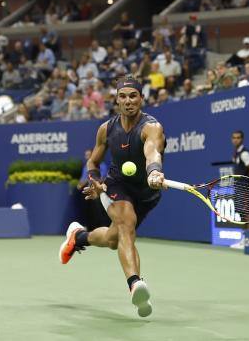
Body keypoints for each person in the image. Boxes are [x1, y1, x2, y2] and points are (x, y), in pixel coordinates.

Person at [59, 76, 166, 318]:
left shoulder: (152, 128)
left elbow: (152, 152)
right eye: (123, 96)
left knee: (112, 239)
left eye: (133, 96)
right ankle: (135, 284)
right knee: (126, 226)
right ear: (116, 100)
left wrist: (155, 171)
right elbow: (93, 162)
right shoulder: (106, 129)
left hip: (147, 193)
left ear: (141, 98)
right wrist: (96, 181)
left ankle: (79, 237)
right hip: (117, 185)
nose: (128, 101)